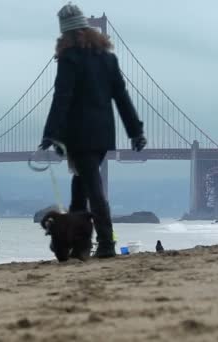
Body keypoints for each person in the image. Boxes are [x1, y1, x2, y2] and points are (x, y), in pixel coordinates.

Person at [41, 4, 146, 258]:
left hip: (78, 136)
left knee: (93, 188)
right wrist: (135, 131)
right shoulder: (108, 59)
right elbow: (122, 98)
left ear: (65, 34)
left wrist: (50, 133)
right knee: (80, 187)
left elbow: (62, 98)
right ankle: (79, 245)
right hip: (102, 136)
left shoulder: (69, 59)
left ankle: (107, 243)